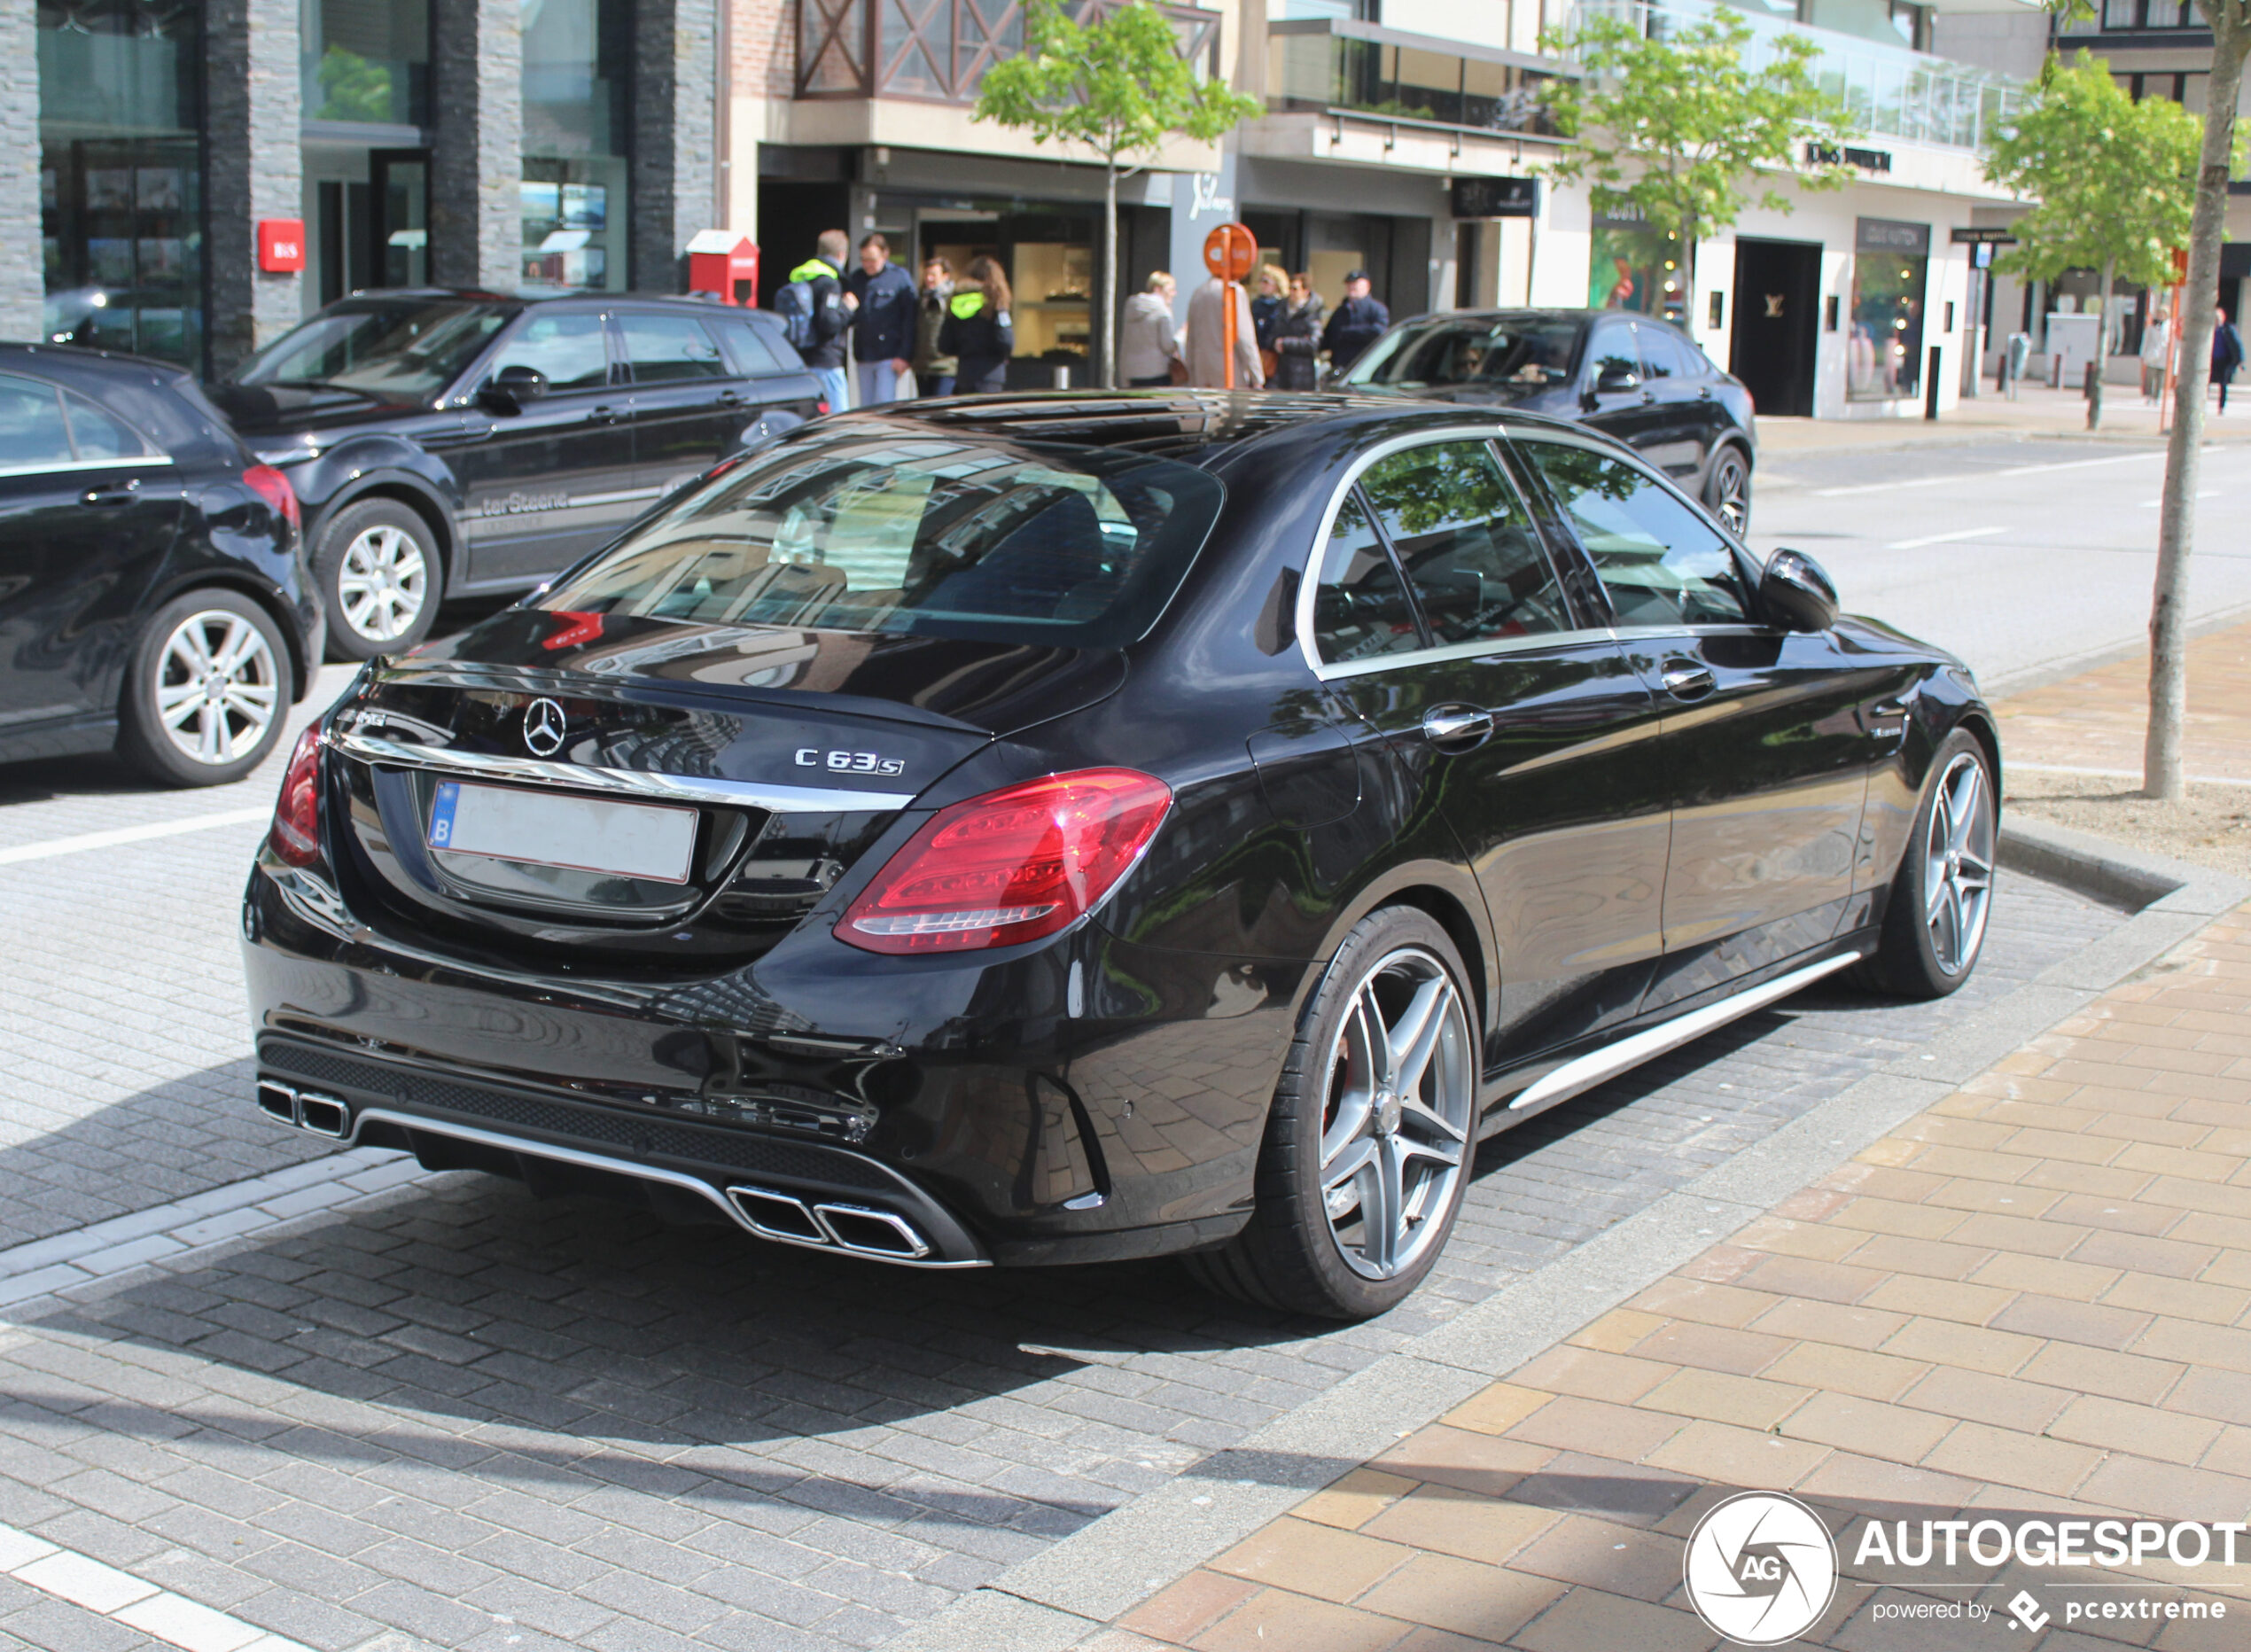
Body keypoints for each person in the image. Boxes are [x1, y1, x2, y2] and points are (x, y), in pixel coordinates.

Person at [843, 232, 916, 407]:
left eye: (872, 260)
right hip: (863, 354)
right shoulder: (857, 278)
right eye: (863, 259)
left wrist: (904, 355)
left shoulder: (899, 278)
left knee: (884, 405)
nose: (867, 265)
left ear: (885, 254)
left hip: (889, 354)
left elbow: (910, 320)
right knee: (865, 408)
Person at [783, 229, 851, 412]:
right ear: (841, 254)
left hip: (804, 358)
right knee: (838, 421)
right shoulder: (830, 282)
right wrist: (847, 309)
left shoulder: (802, 276)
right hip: (827, 361)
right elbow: (829, 324)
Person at [938, 255, 1015, 394]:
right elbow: (1006, 342)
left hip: (964, 375)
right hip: (990, 376)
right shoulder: (995, 301)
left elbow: (944, 345)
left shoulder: (956, 301)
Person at [1185, 273, 1262, 388]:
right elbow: (1245, 338)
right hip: (1229, 369)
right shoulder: (1233, 291)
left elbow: (1191, 337)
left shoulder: (1199, 292)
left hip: (1201, 370)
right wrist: (1257, 376)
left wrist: (1191, 371)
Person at [1320, 270, 1390, 375]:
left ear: (1367, 285)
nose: (1351, 287)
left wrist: (1348, 333)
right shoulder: (1340, 311)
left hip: (1368, 369)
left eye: (1356, 283)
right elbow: (1328, 338)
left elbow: (1379, 331)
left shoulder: (1376, 309)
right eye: (1349, 284)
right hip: (1342, 369)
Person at [1119, 272, 1182, 386]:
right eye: (1171, 289)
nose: (1174, 293)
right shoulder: (1163, 311)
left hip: (1132, 372)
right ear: (1158, 289)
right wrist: (1181, 336)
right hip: (1157, 372)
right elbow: (1168, 346)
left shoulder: (1131, 306)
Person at [1271, 272, 1326, 391]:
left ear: (1305, 291)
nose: (1291, 292)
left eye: (1295, 289)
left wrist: (1285, 343)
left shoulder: (1312, 312)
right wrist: (1275, 342)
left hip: (1301, 374)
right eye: (1290, 288)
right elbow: (1272, 334)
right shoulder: (1282, 308)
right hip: (1280, 372)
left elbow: (1313, 343)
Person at [912, 256, 957, 399]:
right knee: (924, 411)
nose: (929, 279)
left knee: (941, 409)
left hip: (945, 367)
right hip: (922, 367)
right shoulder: (920, 299)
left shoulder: (953, 298)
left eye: (933, 275)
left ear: (945, 276)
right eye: (927, 274)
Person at [1250, 263, 1289, 383]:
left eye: (1266, 282)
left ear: (1276, 285)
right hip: (1258, 354)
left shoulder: (1283, 306)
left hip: (1277, 359)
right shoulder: (1256, 304)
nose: (1262, 285)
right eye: (1261, 281)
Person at [2215, 308, 2244, 414]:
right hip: (2213, 359)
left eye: (2217, 318)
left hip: (2225, 360)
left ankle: (2221, 406)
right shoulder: (2210, 330)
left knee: (2223, 383)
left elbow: (2237, 345)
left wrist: (2240, 360)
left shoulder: (2228, 329)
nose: (2216, 320)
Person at [2140, 308, 2171, 404]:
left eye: (2163, 314)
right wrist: (2143, 354)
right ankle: (2148, 396)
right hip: (2152, 355)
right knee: (2150, 377)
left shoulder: (2169, 327)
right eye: (2159, 313)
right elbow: (2145, 341)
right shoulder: (2151, 327)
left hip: (2163, 356)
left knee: (2160, 378)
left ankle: (2157, 397)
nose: (2161, 316)